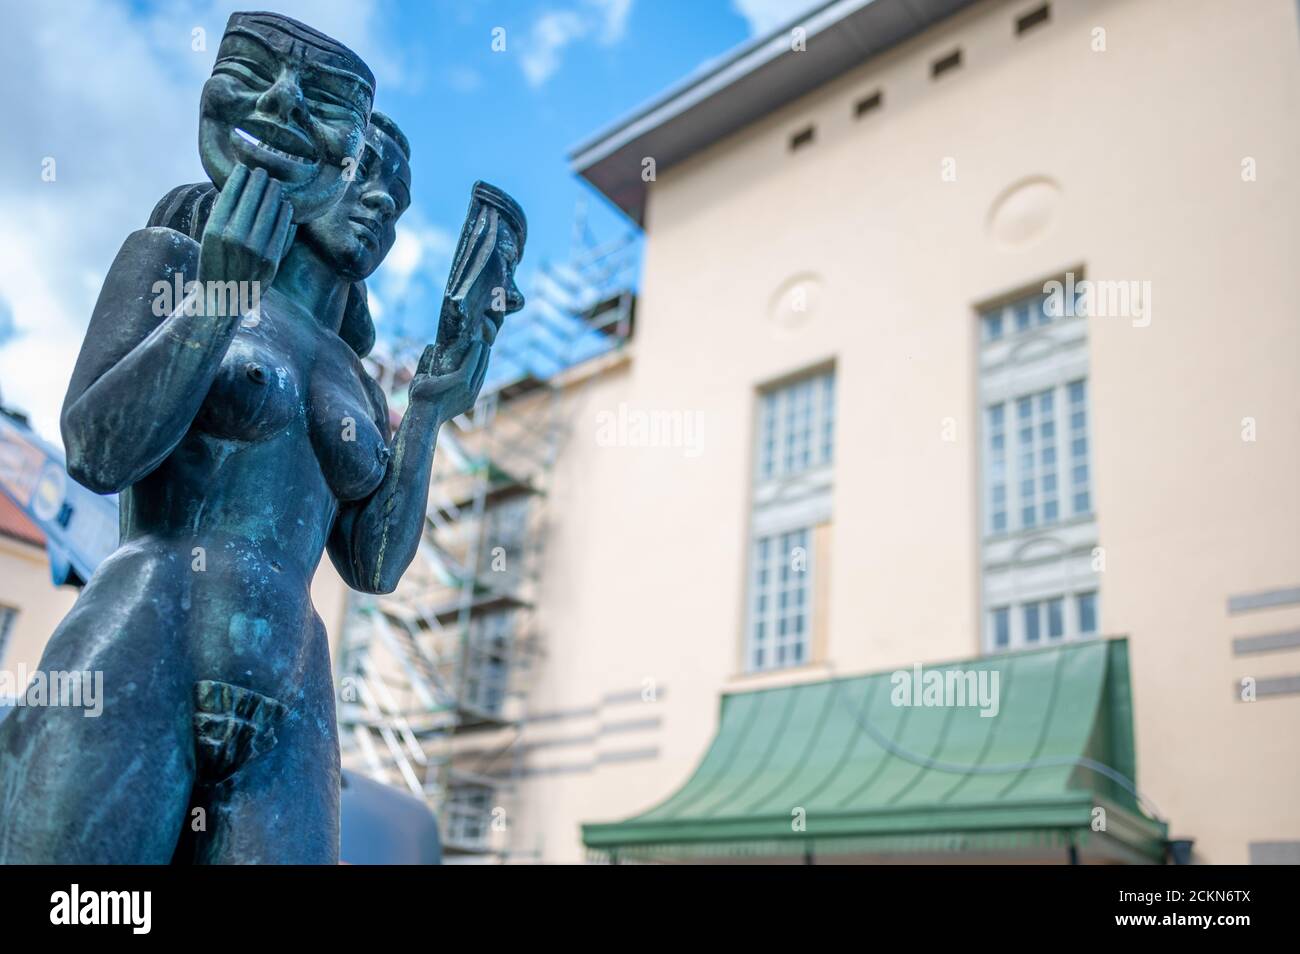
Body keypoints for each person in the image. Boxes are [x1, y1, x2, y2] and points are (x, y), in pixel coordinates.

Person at [0, 12, 525, 865]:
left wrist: (430, 407)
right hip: (149, 626)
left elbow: (375, 564)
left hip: (292, 672)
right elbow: (97, 449)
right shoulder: (175, 258)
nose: (383, 206)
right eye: (367, 177)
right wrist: (216, 297)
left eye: (397, 201)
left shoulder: (357, 374)